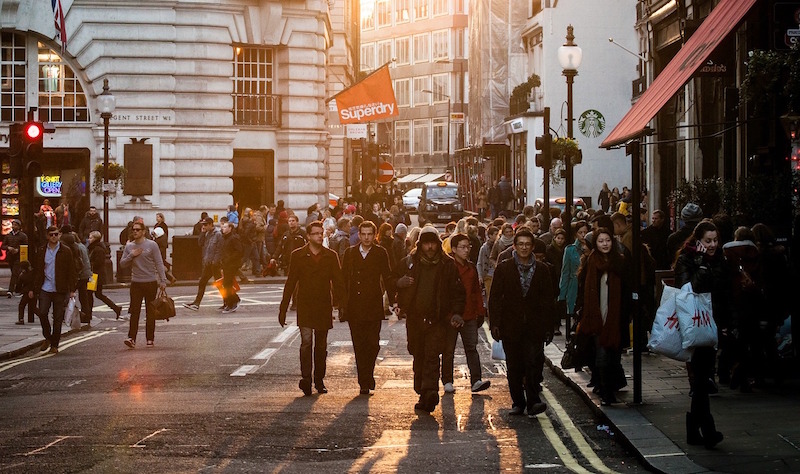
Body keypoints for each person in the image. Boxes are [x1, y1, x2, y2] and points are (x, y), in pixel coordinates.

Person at [396, 226, 465, 413]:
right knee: (417, 353)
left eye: (432, 243)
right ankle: (422, 390)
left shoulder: (447, 265)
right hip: (415, 318)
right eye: (426, 243)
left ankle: (430, 391)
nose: (429, 247)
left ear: (438, 244)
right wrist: (398, 286)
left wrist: (457, 312)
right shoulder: (409, 262)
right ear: (420, 245)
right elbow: (396, 283)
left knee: (432, 356)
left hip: (437, 319)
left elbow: (458, 292)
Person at [489, 229, 555, 417]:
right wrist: (495, 323)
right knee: (515, 365)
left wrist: (549, 327)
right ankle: (518, 402)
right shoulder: (504, 268)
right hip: (511, 326)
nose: (524, 247)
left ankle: (533, 401)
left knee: (534, 363)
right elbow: (495, 298)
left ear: (532, 247)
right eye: (521, 244)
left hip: (534, 326)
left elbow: (548, 300)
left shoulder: (542, 270)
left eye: (527, 244)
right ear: (515, 247)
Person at [674, 221, 727, 449]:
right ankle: (708, 430)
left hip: (713, 324)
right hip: (694, 325)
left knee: (702, 379)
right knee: (702, 378)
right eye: (708, 241)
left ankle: (694, 430)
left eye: (715, 240)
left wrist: (727, 324)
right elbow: (689, 289)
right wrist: (703, 265)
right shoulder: (686, 259)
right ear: (698, 241)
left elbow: (723, 293)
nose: (713, 244)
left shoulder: (721, 260)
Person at [278, 221, 344, 396]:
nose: (319, 236)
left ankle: (319, 380)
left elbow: (338, 283)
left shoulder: (330, 256)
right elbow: (291, 281)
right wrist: (283, 308)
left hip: (323, 305)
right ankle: (306, 378)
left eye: (320, 233)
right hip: (306, 304)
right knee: (306, 343)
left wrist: (342, 305)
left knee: (321, 346)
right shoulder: (298, 255)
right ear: (308, 236)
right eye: (315, 233)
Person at [574, 227, 630, 406]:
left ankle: (611, 386)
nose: (605, 244)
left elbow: (628, 289)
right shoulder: (591, 262)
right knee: (602, 355)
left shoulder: (620, 262)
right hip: (596, 317)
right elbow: (582, 290)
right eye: (601, 241)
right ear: (595, 244)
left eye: (607, 240)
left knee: (614, 355)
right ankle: (606, 391)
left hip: (616, 317)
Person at [340, 221, 395, 395]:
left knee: (373, 344)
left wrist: (393, 302)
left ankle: (368, 373)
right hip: (355, 306)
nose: (366, 237)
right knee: (359, 344)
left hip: (373, 304)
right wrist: (341, 303)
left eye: (369, 234)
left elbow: (387, 276)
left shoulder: (380, 253)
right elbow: (343, 279)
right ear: (359, 235)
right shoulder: (350, 253)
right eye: (363, 234)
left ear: (375, 234)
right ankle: (364, 380)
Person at [441, 233, 490, 394]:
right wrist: (448, 315)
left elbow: (476, 291)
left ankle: (476, 380)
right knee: (448, 349)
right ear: (453, 249)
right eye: (462, 247)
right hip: (451, 317)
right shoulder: (447, 267)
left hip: (469, 315)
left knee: (472, 348)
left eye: (468, 246)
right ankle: (447, 380)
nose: (466, 250)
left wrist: (480, 311)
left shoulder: (471, 268)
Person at [120, 221, 167, 349]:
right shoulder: (129, 247)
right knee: (134, 312)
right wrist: (131, 255)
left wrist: (162, 280)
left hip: (150, 282)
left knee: (150, 312)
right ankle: (131, 338)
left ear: (143, 231)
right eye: (133, 230)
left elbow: (159, 263)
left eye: (137, 230)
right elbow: (122, 264)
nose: (135, 232)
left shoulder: (152, 245)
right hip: (136, 283)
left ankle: (150, 339)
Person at [32, 226, 77, 354]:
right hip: (45, 288)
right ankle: (48, 336)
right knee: (42, 313)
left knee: (57, 319)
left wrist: (72, 289)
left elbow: (71, 271)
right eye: (51, 234)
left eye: (56, 234)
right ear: (47, 236)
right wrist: (33, 288)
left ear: (59, 235)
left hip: (60, 289)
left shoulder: (66, 251)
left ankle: (54, 345)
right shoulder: (41, 250)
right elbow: (37, 271)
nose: (53, 237)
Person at [183, 217, 223, 311]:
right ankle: (196, 303)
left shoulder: (218, 234)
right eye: (203, 225)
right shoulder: (207, 233)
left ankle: (228, 301)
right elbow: (200, 243)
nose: (203, 226)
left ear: (210, 224)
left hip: (214, 264)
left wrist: (215, 261)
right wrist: (202, 232)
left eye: (205, 225)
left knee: (218, 284)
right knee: (204, 282)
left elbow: (219, 250)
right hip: (208, 263)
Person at [558, 221, 589, 333]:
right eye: (580, 232)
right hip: (573, 286)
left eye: (585, 232)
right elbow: (565, 272)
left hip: (587, 285)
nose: (583, 235)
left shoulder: (592, 248)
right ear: (576, 234)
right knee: (572, 314)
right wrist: (562, 294)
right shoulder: (570, 249)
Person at [87, 231, 122, 319]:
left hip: (95, 275)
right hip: (95, 275)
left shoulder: (97, 249)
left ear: (95, 239)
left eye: (90, 238)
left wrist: (90, 264)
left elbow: (98, 263)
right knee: (96, 294)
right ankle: (116, 308)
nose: (89, 239)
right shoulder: (94, 248)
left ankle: (89, 314)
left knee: (90, 294)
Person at [2, 219, 28, 297]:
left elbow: (26, 246)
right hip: (10, 257)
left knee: (14, 273)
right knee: (15, 273)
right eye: (13, 225)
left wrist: (18, 250)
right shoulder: (8, 235)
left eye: (15, 225)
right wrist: (8, 248)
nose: (14, 226)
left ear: (19, 226)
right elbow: (3, 246)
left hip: (18, 257)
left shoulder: (23, 236)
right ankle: (19, 288)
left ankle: (10, 290)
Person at [477, 225, 498, 300]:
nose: (497, 236)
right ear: (490, 235)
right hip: (488, 274)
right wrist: (480, 276)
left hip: (497, 274)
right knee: (489, 296)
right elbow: (479, 262)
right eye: (496, 234)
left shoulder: (499, 245)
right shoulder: (484, 247)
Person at [14, 261, 36, 325]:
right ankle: (40, 316)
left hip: (26, 292)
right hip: (34, 291)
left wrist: (17, 291)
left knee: (21, 305)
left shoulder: (23, 275)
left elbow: (19, 284)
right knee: (33, 307)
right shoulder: (34, 273)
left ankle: (21, 319)